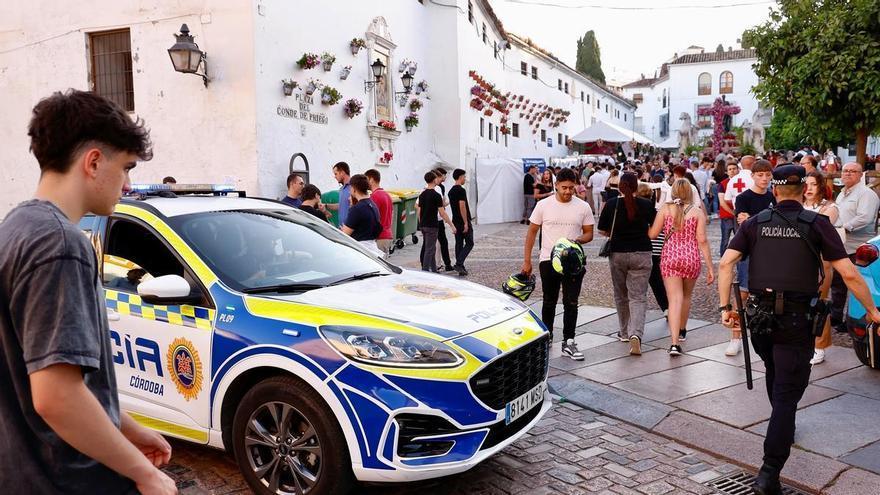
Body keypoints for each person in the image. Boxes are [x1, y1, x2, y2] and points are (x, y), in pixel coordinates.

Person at [0, 90, 176, 494]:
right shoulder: (61, 244)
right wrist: (144, 473)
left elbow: (49, 378)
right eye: (126, 167)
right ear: (94, 162)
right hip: (66, 480)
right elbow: (56, 396)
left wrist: (126, 427)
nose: (128, 184)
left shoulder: (15, 228)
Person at [716, 164, 880, 495]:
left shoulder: (756, 224)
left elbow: (725, 263)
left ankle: (783, 426)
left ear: (775, 190)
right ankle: (769, 471)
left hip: (759, 319)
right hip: (795, 320)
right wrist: (874, 312)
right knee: (789, 392)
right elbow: (848, 273)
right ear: (802, 189)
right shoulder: (817, 223)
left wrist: (725, 309)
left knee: (776, 372)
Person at [522, 168, 594, 360]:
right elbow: (531, 233)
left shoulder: (583, 207)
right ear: (556, 186)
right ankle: (547, 337)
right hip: (548, 260)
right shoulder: (543, 205)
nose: (568, 192)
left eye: (571, 188)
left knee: (571, 302)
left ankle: (569, 341)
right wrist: (527, 261)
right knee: (549, 300)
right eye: (564, 188)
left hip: (573, 263)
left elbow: (589, 233)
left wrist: (579, 240)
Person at [649, 179, 714, 356]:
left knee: (674, 299)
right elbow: (702, 240)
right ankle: (683, 329)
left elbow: (653, 234)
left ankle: (674, 342)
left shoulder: (665, 209)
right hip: (691, 258)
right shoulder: (697, 212)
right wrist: (710, 267)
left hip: (670, 257)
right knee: (686, 296)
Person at [598, 173, 656, 355]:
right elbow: (655, 228)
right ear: (636, 186)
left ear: (620, 187)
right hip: (642, 253)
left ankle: (624, 332)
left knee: (621, 295)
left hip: (618, 254)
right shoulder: (647, 205)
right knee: (638, 297)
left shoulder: (612, 204)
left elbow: (602, 231)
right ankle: (636, 335)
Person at [728, 159, 776, 356]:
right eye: (760, 175)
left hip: (771, 251)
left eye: (767, 175)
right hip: (750, 250)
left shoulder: (773, 196)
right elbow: (744, 224)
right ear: (753, 176)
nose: (764, 178)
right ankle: (736, 337)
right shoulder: (743, 197)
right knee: (744, 293)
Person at [830, 162, 880, 333]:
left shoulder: (866, 194)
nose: (848, 174)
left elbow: (865, 218)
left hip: (858, 248)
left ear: (861, 175)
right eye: (845, 171)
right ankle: (835, 317)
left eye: (853, 171)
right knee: (837, 284)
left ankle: (854, 321)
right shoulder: (842, 193)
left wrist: (844, 227)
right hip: (841, 244)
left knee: (856, 285)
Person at [803, 171, 841, 365]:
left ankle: (820, 345)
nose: (809, 188)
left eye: (813, 184)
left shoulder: (830, 207)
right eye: (806, 184)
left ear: (820, 186)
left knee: (819, 303)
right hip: (798, 261)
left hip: (820, 262)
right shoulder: (798, 206)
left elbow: (819, 232)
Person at [638, 182, 669, 316]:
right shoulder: (657, 212)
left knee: (640, 283)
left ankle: (638, 309)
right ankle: (666, 307)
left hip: (643, 249)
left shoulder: (636, 213)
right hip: (658, 250)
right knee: (657, 281)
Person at [418, 172, 456, 272]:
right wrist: (452, 225)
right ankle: (425, 271)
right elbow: (442, 213)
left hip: (424, 224)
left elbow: (419, 210)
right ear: (434, 180)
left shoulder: (422, 194)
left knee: (431, 248)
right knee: (430, 249)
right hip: (432, 225)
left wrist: (420, 223)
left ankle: (434, 269)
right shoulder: (436, 195)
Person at [342, 174, 383, 257]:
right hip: (372, 247)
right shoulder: (373, 205)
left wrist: (343, 228)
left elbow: (344, 234)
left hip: (360, 250)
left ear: (354, 189)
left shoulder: (357, 209)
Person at [448, 169, 473, 276]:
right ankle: (459, 263)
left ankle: (460, 266)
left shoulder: (451, 191)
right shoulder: (461, 190)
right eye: (464, 177)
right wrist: (466, 222)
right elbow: (462, 206)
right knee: (469, 243)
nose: (465, 179)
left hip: (455, 220)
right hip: (462, 220)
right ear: (460, 177)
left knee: (459, 243)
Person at [365, 169, 393, 255]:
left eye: (366, 179)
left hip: (379, 237)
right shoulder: (387, 194)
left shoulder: (374, 196)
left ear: (371, 179)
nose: (365, 183)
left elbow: (371, 219)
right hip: (387, 235)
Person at [433, 168, 455, 271]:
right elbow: (442, 203)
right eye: (444, 175)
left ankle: (439, 263)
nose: (445, 177)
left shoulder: (440, 187)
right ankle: (442, 264)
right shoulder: (438, 188)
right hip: (438, 217)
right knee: (440, 242)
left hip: (437, 217)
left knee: (437, 243)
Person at [328, 162, 352, 226]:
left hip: (351, 229)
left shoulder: (354, 187)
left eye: (336, 174)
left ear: (342, 172)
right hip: (342, 228)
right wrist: (325, 205)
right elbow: (341, 205)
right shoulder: (342, 189)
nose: (335, 177)